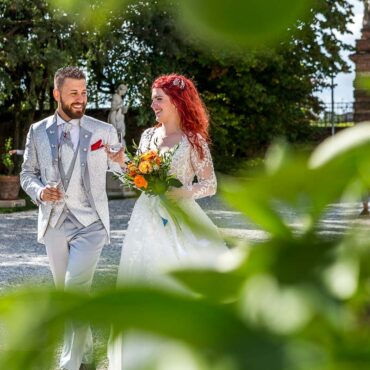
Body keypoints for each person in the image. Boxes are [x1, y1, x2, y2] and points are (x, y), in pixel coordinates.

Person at [106, 74, 228, 370]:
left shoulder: (193, 140)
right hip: (145, 219)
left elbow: (210, 183)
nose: (153, 104)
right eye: (152, 99)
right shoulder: (148, 136)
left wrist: (183, 192)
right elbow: (140, 176)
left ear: (177, 101)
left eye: (158, 98)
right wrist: (122, 162)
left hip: (181, 219)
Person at [21, 66, 121, 370]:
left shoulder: (104, 131)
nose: (81, 99)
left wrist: (121, 161)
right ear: (57, 94)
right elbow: (27, 173)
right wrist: (39, 192)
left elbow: (125, 173)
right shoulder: (37, 131)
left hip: (90, 224)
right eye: (73, 93)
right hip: (53, 224)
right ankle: (87, 351)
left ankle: (68, 365)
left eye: (84, 92)